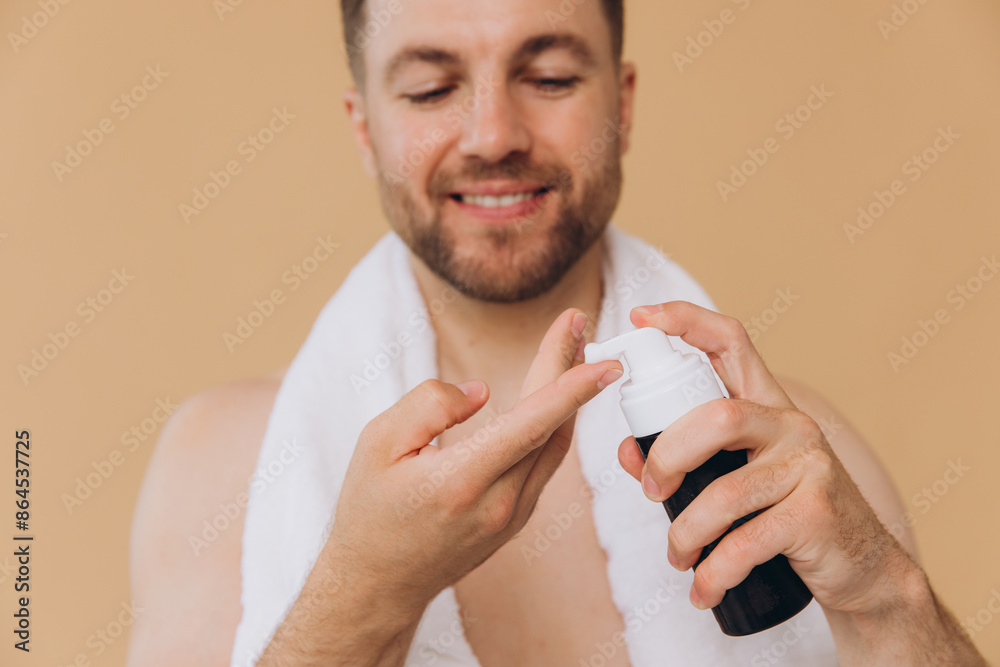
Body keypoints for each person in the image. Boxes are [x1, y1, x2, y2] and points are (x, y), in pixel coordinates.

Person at [126, 0, 987, 665]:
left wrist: (887, 597)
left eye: (550, 78)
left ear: (625, 100)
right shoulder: (221, 464)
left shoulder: (794, 456)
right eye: (431, 87)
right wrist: (365, 590)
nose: (494, 135)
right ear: (365, 129)